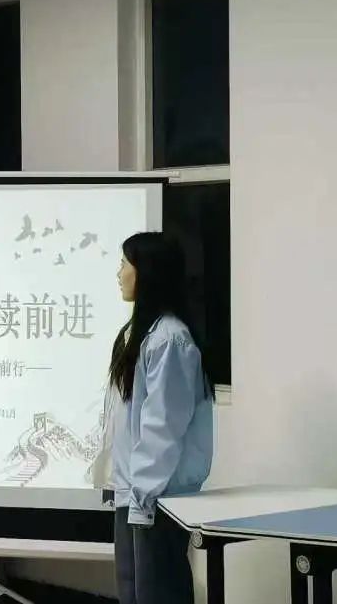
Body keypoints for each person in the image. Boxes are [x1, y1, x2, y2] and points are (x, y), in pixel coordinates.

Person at [103, 232, 215, 604]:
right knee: (134, 593)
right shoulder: (137, 334)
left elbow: (163, 428)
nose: (119, 273)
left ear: (147, 272)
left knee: (157, 593)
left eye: (124, 264)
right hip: (133, 493)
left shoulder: (170, 339)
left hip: (156, 499)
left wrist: (143, 496)